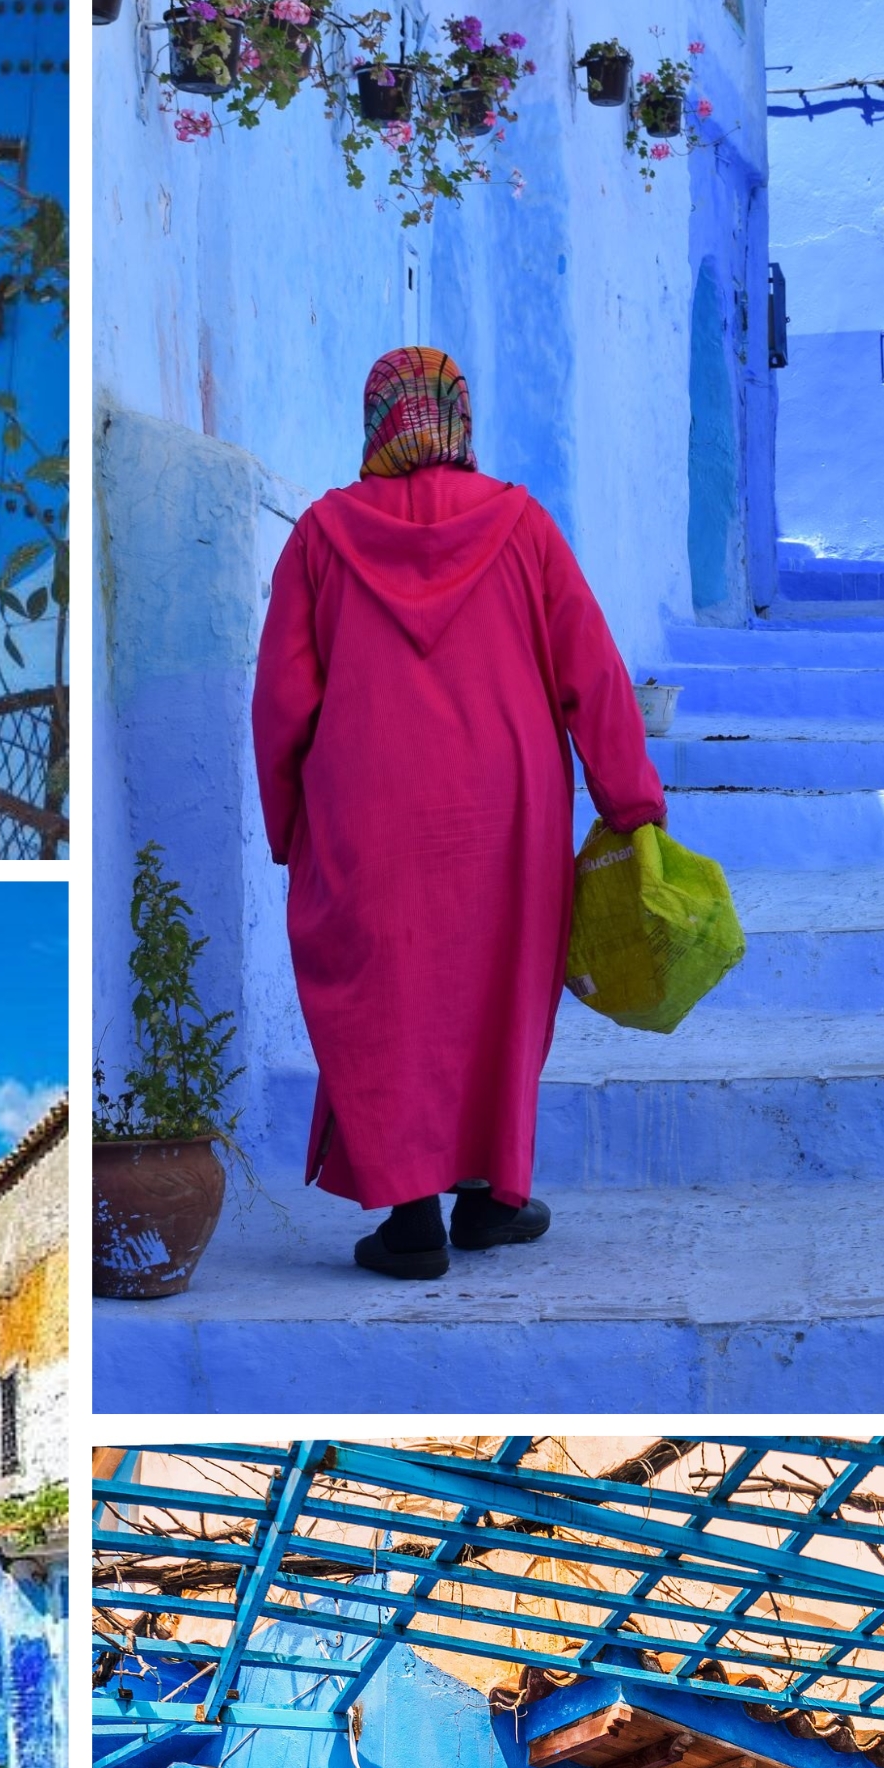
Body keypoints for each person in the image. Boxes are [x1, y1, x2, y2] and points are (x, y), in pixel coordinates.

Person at [252, 342, 664, 1282]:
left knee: (387, 994)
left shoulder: (320, 536)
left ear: (377, 425)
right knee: (494, 988)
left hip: (366, 805)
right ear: (458, 420)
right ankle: (490, 1198)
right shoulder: (521, 525)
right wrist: (630, 801)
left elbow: (281, 700)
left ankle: (409, 1221)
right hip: (505, 806)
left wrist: (288, 825)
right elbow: (590, 673)